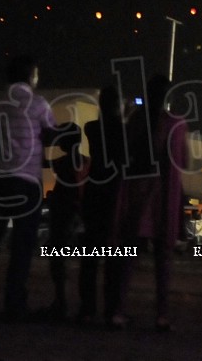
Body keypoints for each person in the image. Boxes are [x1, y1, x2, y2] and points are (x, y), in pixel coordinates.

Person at [0, 55, 57, 320]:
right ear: (30, 76)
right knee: (22, 245)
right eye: (36, 74)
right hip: (27, 180)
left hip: (0, 177)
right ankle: (14, 302)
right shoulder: (38, 103)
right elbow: (51, 133)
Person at [104, 76, 188, 332]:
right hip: (164, 194)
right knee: (163, 259)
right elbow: (182, 161)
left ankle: (118, 311)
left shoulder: (136, 120)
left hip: (139, 192)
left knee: (129, 256)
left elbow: (125, 154)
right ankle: (161, 316)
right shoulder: (176, 125)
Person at [77, 85, 128, 322]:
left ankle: (87, 308)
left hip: (94, 191)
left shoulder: (92, 128)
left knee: (89, 256)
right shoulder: (123, 130)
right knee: (114, 257)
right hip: (115, 193)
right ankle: (112, 310)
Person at [46, 122, 88, 319]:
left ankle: (61, 301)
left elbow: (41, 161)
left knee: (58, 259)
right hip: (82, 214)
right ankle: (83, 304)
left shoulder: (62, 163)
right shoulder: (87, 162)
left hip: (64, 214)